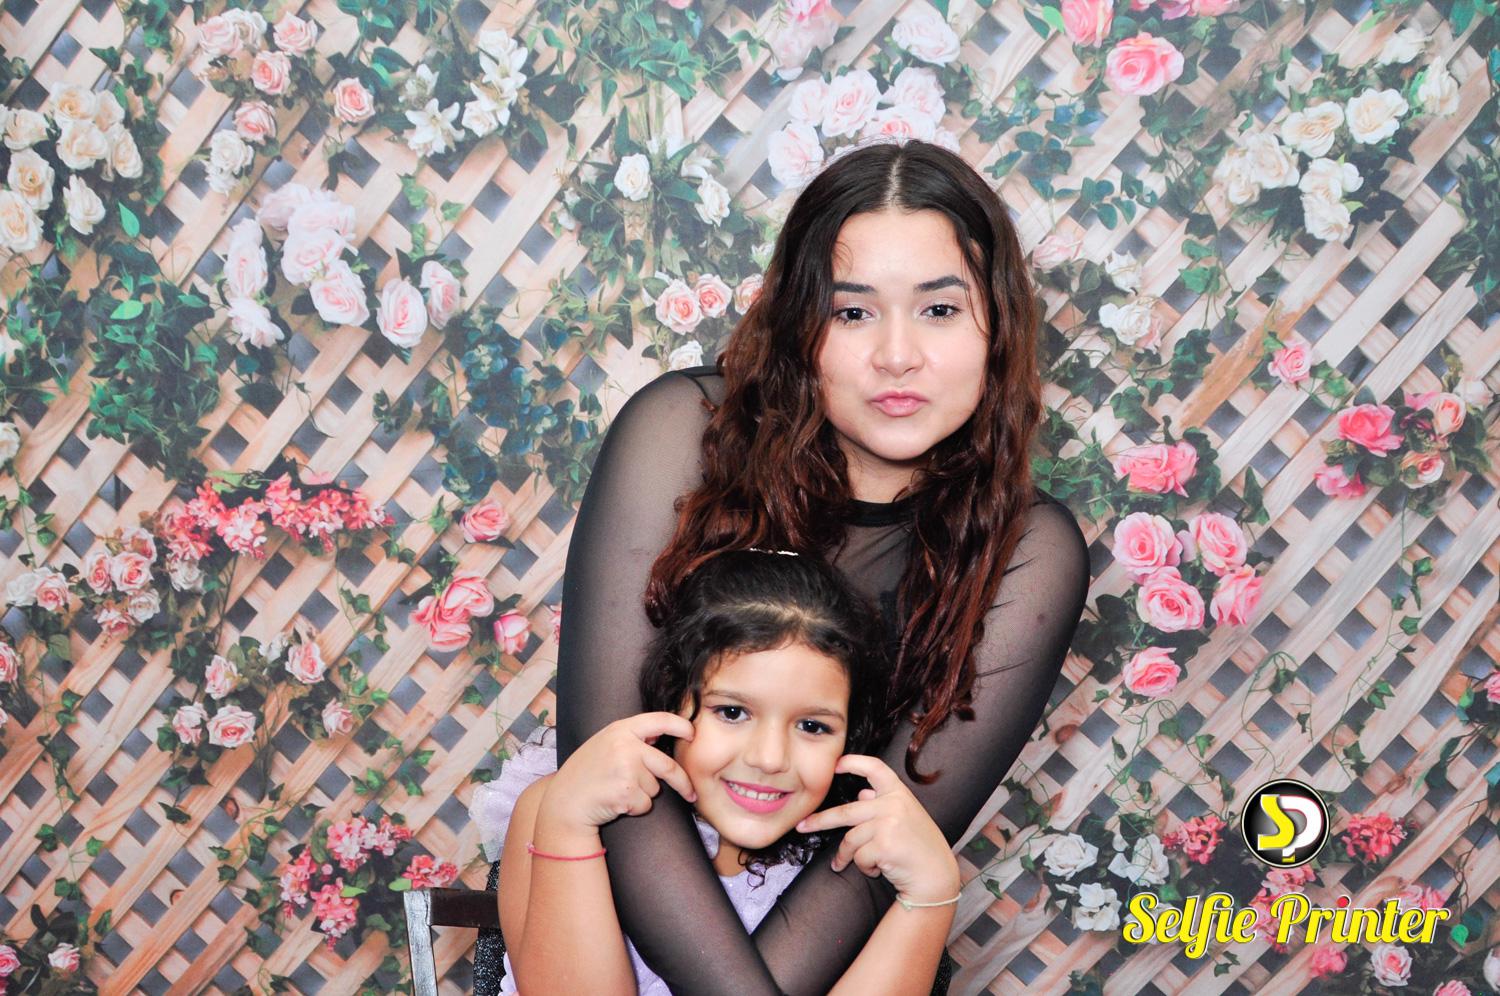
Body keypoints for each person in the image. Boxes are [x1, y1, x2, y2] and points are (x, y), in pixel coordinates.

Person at [552, 138, 1092, 994]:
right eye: (852, 313)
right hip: (608, 933)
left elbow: (874, 855)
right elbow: (615, 769)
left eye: (939, 309)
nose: (897, 355)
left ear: (998, 326)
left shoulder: (1030, 550)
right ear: (800, 324)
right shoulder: (680, 433)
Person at [473, 550, 959, 994]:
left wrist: (933, 893)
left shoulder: (847, 878)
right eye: (732, 712)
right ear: (673, 699)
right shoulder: (561, 807)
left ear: (850, 737)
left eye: (812, 726)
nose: (769, 758)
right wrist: (568, 823)